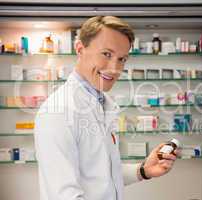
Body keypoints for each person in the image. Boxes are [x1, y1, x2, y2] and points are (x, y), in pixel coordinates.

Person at [34, 16, 178, 200]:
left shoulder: (101, 103)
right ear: (80, 49)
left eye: (122, 59)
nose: (114, 68)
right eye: (107, 54)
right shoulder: (58, 111)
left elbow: (101, 174)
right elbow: (64, 195)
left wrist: (143, 170)